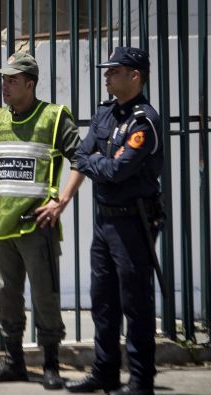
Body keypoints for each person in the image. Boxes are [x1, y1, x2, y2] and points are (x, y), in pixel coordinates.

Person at [0, 52, 84, 390]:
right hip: (1, 226)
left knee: (44, 296)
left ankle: (51, 365)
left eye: (12, 80)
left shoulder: (53, 118)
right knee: (6, 295)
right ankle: (14, 362)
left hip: (37, 226)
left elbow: (81, 159)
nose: (4, 85)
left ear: (30, 84)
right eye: (3, 79)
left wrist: (61, 200)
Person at [65, 47, 163, 395]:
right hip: (104, 221)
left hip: (133, 223)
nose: (106, 76)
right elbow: (79, 153)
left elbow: (117, 170)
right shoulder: (106, 113)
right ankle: (104, 372)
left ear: (134, 76)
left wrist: (96, 164)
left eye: (114, 71)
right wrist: (97, 164)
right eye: (107, 71)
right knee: (103, 301)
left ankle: (140, 381)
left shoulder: (144, 121)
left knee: (135, 304)